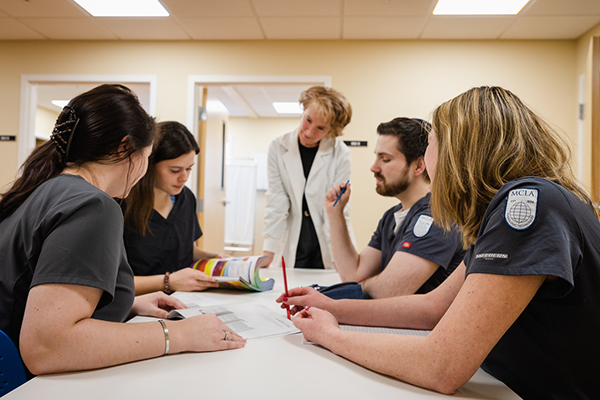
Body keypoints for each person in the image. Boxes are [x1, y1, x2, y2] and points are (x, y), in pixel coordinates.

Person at [279, 86, 600, 398]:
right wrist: (332, 307)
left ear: (459, 150)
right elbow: (434, 308)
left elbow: (442, 366)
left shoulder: (526, 203)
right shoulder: (505, 210)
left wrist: (329, 334)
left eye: (432, 143)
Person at [0, 84, 245, 379]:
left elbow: (37, 295)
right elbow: (47, 346)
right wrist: (177, 334)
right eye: (148, 155)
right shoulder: (93, 206)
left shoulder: (43, 188)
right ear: (124, 148)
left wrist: (126, 303)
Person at [323, 117, 464, 299]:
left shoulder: (438, 215)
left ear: (419, 166)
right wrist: (335, 214)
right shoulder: (392, 217)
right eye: (376, 157)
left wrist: (360, 286)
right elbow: (353, 275)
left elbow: (388, 291)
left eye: (385, 159)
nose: (373, 167)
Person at [123, 121, 223, 296]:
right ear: (149, 164)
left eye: (189, 169)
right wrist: (168, 281)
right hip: (136, 306)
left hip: (183, 299)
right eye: (175, 170)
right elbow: (113, 282)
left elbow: (185, 249)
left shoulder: (186, 198)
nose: (184, 178)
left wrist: (215, 258)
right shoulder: (123, 204)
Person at [262, 86, 354, 270]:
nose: (310, 132)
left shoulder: (340, 153)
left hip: (327, 236)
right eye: (308, 120)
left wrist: (340, 254)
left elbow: (338, 206)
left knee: (330, 290)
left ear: (331, 130)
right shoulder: (278, 148)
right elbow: (277, 200)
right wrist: (269, 250)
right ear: (303, 110)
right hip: (294, 236)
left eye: (320, 128)